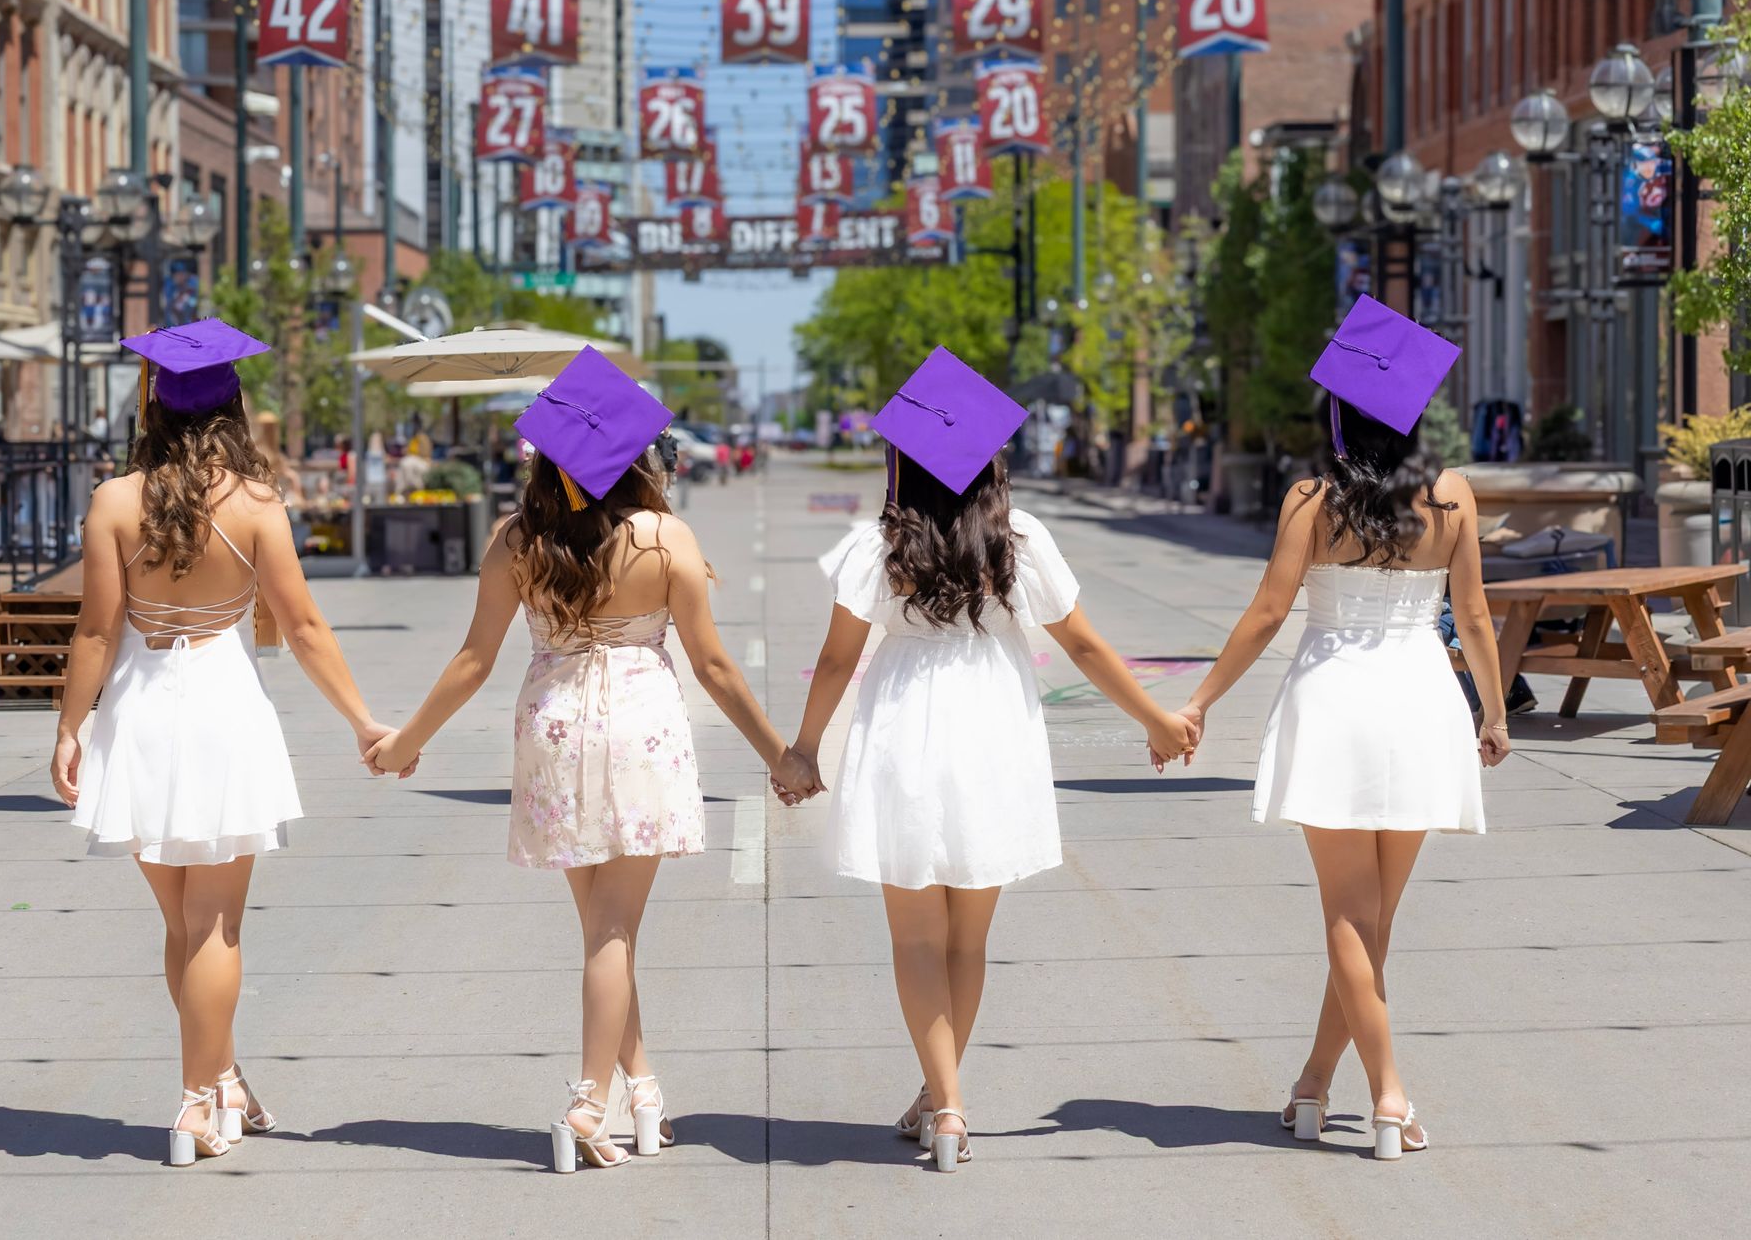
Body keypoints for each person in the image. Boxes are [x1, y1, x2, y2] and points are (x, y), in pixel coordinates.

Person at [362, 348, 821, 1173]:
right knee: (614, 929)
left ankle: (640, 1086)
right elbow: (714, 666)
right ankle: (587, 1102)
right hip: (640, 727)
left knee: (602, 928)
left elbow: (473, 658)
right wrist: (779, 756)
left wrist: (409, 739)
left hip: (555, 726)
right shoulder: (664, 537)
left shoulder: (516, 540)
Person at [786, 348, 1197, 1174]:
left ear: (900, 459)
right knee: (967, 940)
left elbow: (835, 662)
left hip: (904, 728)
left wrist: (801, 748)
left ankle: (945, 1104)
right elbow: (1081, 642)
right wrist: (1157, 716)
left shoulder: (878, 546)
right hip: (992, 733)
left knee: (913, 940)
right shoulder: (1020, 540)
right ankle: (942, 1100)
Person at [1172, 296, 1507, 1161]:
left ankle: (1384, 1092)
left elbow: (1267, 613)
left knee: (1351, 918)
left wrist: (1202, 698)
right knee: (1375, 919)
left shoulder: (1311, 500)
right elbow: (1471, 615)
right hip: (1423, 701)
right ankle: (1316, 1083)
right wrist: (1495, 709)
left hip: (1335, 702)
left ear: (1340, 412)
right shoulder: (1456, 497)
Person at [50, 320, 391, 1168]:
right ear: (235, 404)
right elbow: (304, 627)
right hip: (223, 704)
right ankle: (200, 1102)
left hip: (140, 709)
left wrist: (69, 723)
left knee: (180, 921)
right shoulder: (257, 504)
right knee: (213, 927)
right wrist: (362, 720)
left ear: (154, 405)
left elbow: (95, 630)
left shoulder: (114, 502)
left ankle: (222, 1075)